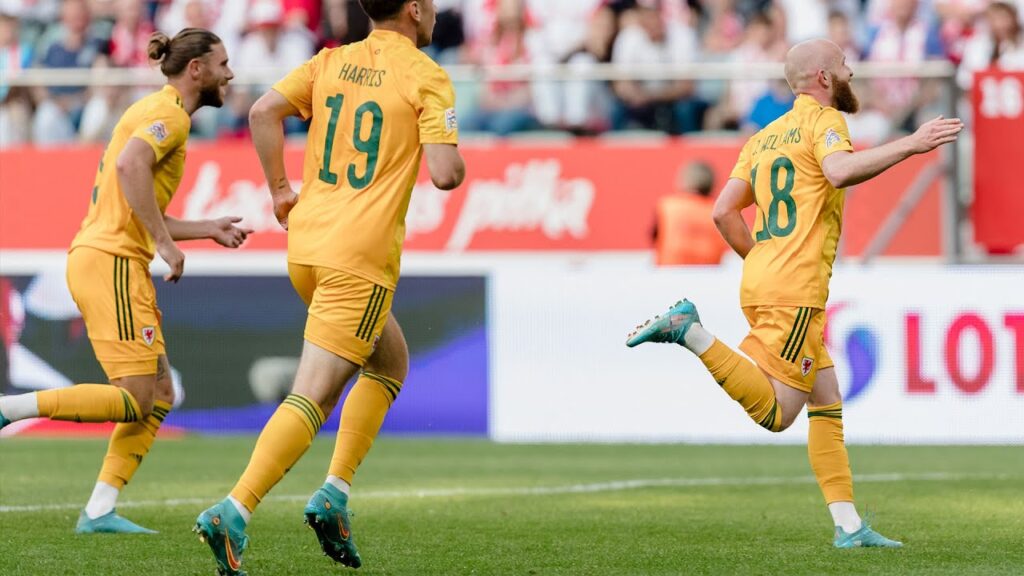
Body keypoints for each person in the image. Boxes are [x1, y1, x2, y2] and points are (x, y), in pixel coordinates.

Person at [626, 38, 962, 548]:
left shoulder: (762, 138)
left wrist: (763, 259)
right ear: (824, 78)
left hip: (765, 278)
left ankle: (849, 526)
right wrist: (912, 143)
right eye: (845, 65)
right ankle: (689, 331)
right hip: (795, 289)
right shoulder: (824, 121)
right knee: (778, 413)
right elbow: (840, 171)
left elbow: (723, 212)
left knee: (825, 398)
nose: (851, 72)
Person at [194, 0, 465, 573]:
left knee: (389, 363)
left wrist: (279, 190)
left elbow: (264, 111)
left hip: (308, 247)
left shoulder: (329, 62)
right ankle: (234, 508)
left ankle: (334, 494)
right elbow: (445, 174)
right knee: (313, 395)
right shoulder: (426, 74)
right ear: (414, 10)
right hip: (357, 258)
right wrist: (450, 151)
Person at [0, 28, 249, 533]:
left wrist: (204, 228)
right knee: (135, 397)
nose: (230, 73)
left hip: (110, 257)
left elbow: (138, 198)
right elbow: (130, 164)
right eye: (222, 63)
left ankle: (99, 510)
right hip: (112, 261)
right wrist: (165, 243)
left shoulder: (156, 109)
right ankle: (8, 408)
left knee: (159, 393)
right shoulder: (170, 115)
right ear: (196, 69)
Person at [653, 161, 728, 266]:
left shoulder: (667, 206)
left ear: (684, 181)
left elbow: (654, 237)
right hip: (709, 275)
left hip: (670, 273)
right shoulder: (720, 211)